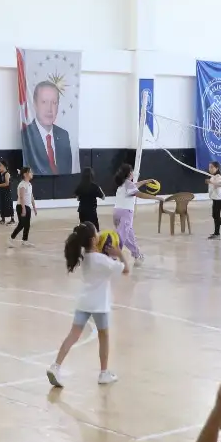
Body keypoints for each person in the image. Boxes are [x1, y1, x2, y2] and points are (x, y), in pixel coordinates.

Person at [47, 222, 130, 388]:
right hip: (100, 304)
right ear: (93, 240)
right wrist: (119, 254)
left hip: (83, 302)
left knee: (73, 335)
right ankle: (104, 373)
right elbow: (126, 270)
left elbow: (98, 260)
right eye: (97, 233)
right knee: (104, 336)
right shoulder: (103, 261)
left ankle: (55, 366)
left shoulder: (84, 257)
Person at [19, 80, 76, 175]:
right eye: (44, 102)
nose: (49, 109)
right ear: (35, 104)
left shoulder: (64, 135)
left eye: (54, 102)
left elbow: (67, 171)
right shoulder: (26, 136)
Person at [112, 163, 148, 264]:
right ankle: (112, 257)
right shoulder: (129, 184)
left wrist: (146, 181)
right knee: (121, 237)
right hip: (126, 213)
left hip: (117, 212)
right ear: (129, 173)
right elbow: (140, 194)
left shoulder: (123, 183)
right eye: (132, 171)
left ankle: (137, 255)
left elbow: (135, 186)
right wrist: (157, 198)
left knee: (129, 237)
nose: (133, 173)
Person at [9, 168, 36, 246]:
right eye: (30, 172)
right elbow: (22, 197)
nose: (32, 173)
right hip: (21, 206)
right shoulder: (22, 184)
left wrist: (34, 207)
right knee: (22, 224)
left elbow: (31, 196)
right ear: (25, 174)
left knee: (27, 225)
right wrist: (23, 209)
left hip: (27, 207)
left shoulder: (29, 184)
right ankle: (11, 238)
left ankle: (25, 240)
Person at [0, 158, 15, 225]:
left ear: (4, 166)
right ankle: (3, 220)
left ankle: (12, 219)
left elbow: (7, 183)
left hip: (7, 192)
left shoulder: (7, 174)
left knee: (9, 205)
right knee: (2, 205)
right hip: (2, 192)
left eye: (0, 165)